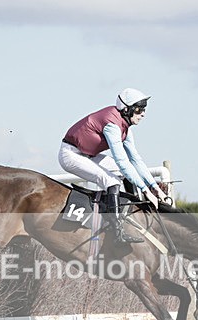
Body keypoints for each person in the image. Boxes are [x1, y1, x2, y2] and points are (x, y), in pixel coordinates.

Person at [58, 88, 170, 244]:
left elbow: (136, 160)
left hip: (88, 155)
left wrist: (154, 188)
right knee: (112, 181)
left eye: (144, 110)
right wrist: (146, 191)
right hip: (71, 155)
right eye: (139, 110)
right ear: (126, 109)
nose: (143, 114)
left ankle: (135, 209)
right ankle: (117, 232)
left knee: (122, 173)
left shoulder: (125, 126)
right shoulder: (112, 126)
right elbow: (122, 162)